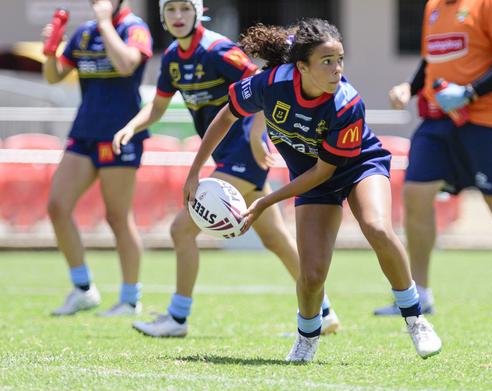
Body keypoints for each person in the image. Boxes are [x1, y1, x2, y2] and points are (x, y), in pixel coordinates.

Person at [184, 18, 442, 362]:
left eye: (340, 60)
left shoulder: (347, 104)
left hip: (357, 166)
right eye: (327, 61)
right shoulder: (271, 84)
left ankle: (415, 319)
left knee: (378, 227)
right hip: (311, 176)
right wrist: (195, 171)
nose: (337, 70)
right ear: (302, 67)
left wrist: (264, 202)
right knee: (312, 274)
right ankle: (306, 338)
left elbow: (326, 170)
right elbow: (227, 115)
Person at [113, 0, 340, 337]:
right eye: (170, 10)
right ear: (162, 16)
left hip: (243, 153)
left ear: (198, 12)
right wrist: (131, 126)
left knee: (181, 230)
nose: (178, 17)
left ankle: (177, 318)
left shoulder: (218, 50)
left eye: (185, 9)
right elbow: (158, 107)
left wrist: (257, 135)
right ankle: (325, 313)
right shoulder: (174, 58)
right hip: (227, 156)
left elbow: (266, 85)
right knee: (275, 238)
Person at [375, 0, 492, 320]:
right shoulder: (433, 7)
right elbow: (431, 61)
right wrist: (409, 88)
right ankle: (418, 295)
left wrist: (470, 92)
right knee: (415, 194)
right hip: (438, 122)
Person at [44, 0, 152, 316]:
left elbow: (126, 65)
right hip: (85, 131)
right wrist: (50, 48)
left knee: (117, 217)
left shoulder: (135, 28)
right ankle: (83, 289)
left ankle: (130, 298)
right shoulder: (84, 33)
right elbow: (54, 76)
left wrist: (106, 24)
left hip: (119, 134)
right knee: (57, 206)